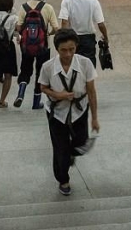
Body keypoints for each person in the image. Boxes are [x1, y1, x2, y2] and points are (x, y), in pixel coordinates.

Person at [38, 28, 99, 197]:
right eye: (63, 50)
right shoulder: (48, 67)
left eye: (72, 49)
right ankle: (63, 179)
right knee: (60, 149)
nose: (68, 54)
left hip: (80, 109)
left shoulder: (85, 64)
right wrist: (58, 95)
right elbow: (43, 87)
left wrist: (94, 118)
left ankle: (72, 153)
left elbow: (91, 91)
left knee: (81, 142)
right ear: (57, 49)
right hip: (56, 112)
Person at [15, 0, 60, 109]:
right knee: (40, 74)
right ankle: (36, 102)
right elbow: (56, 28)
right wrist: (49, 33)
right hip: (43, 46)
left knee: (25, 70)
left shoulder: (23, 7)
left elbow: (18, 27)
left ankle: (21, 93)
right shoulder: (48, 8)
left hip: (26, 46)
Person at [58, 0, 108, 69]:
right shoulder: (93, 2)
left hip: (72, 38)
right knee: (89, 68)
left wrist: (64, 39)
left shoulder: (67, 1)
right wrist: (106, 37)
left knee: (72, 66)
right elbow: (100, 24)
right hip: (88, 40)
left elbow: (64, 22)